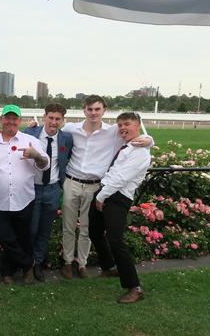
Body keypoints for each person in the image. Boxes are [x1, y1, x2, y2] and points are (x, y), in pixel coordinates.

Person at [59, 95, 152, 279]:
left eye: (97, 109)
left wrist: (149, 140)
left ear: (104, 111)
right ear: (84, 110)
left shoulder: (113, 132)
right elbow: (51, 130)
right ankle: (68, 262)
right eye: (90, 109)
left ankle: (82, 264)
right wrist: (32, 126)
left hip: (95, 186)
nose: (93, 113)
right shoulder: (71, 128)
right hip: (72, 182)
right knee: (68, 226)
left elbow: (135, 134)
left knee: (87, 228)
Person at [88, 112, 151, 303]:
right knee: (94, 232)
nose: (123, 128)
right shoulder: (130, 146)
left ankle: (135, 288)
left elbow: (121, 178)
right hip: (105, 191)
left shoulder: (140, 152)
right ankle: (108, 267)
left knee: (116, 241)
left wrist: (101, 196)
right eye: (120, 125)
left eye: (127, 124)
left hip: (117, 198)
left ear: (138, 125)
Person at [0, 105, 49, 285]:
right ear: (1, 119)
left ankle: (8, 272)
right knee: (5, 237)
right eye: (7, 118)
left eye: (15, 118)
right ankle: (28, 264)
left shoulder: (30, 140)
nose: (11, 122)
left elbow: (45, 164)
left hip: (24, 198)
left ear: (20, 121)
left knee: (23, 238)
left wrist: (35, 155)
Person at [22, 103, 72, 282]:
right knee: (31, 229)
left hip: (52, 189)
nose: (53, 122)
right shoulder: (30, 133)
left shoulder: (66, 138)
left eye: (58, 119)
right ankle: (27, 265)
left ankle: (38, 264)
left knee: (44, 230)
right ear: (44, 117)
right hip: (32, 188)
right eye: (50, 118)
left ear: (62, 121)